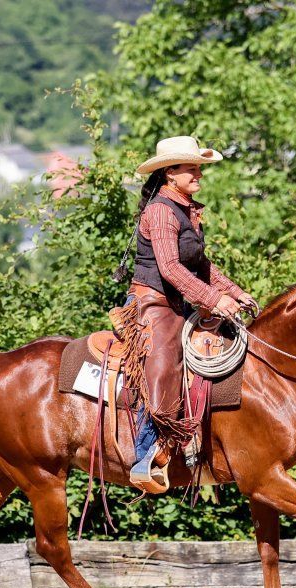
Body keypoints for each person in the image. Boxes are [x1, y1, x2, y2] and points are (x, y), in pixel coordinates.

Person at [123, 136, 256, 485]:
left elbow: (200, 265)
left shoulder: (186, 209)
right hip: (151, 302)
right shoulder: (161, 211)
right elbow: (169, 268)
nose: (198, 174)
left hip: (177, 302)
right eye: (191, 168)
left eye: (199, 168)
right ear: (170, 173)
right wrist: (214, 301)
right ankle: (145, 456)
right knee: (165, 361)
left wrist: (235, 293)